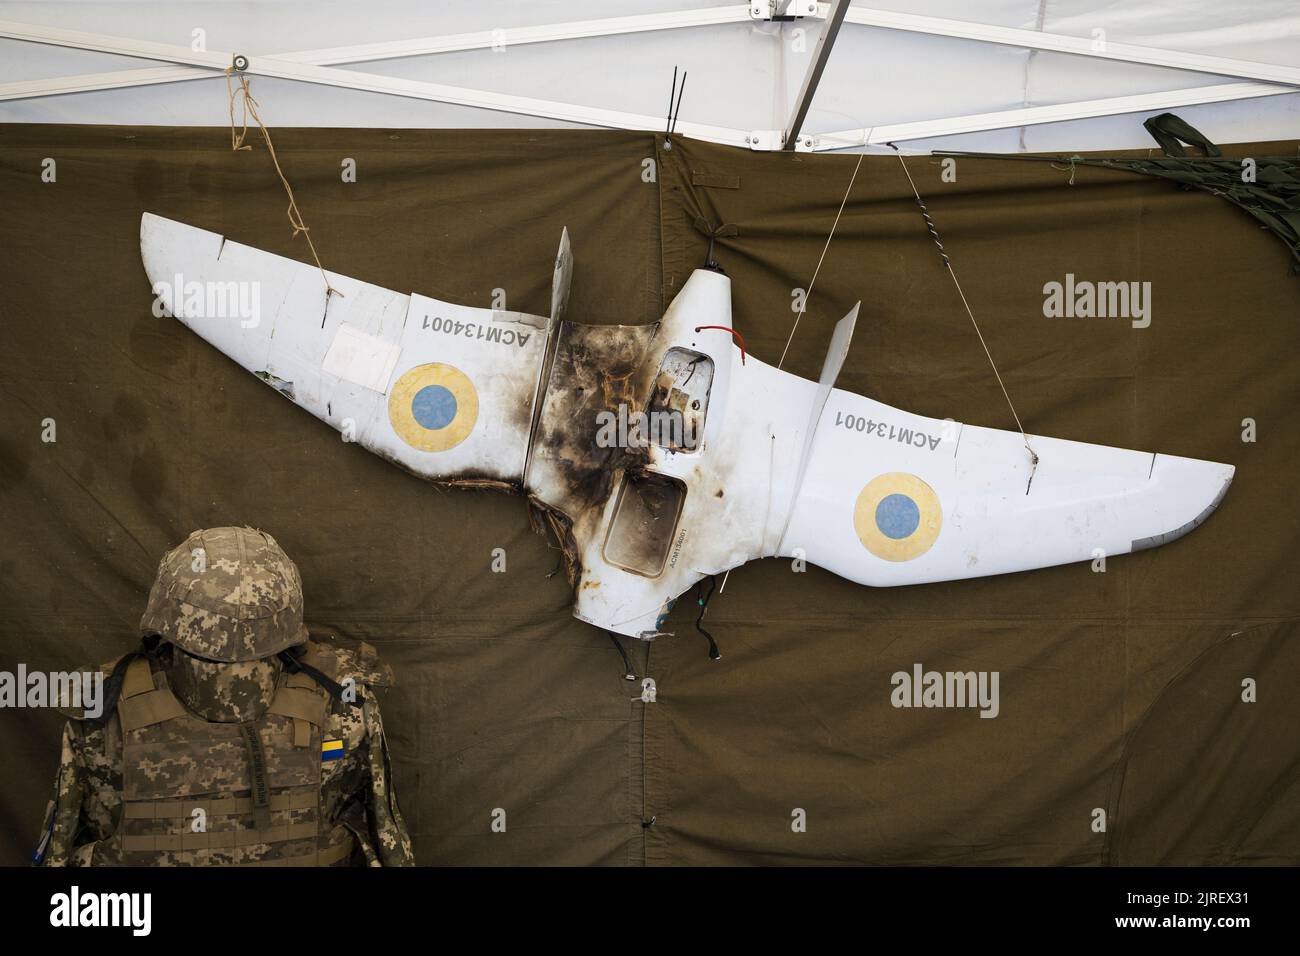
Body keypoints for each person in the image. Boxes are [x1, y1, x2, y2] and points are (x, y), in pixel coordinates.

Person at [34, 526, 414, 866]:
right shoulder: (347, 705)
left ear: (168, 614)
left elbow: (59, 855)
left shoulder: (99, 713)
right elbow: (389, 844)